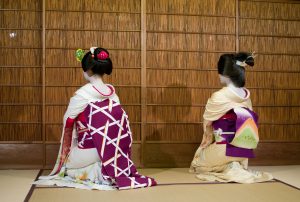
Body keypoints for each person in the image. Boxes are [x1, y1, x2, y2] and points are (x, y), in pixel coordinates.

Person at [35, 47, 156, 190]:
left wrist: (72, 145)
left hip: (90, 148)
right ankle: (106, 169)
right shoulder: (113, 94)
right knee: (89, 158)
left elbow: (68, 122)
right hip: (113, 150)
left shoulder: (82, 95)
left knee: (65, 169)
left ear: (88, 70)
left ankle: (100, 174)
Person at [189, 52, 273, 183]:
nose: (218, 75)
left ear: (226, 74)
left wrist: (207, 140)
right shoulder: (246, 95)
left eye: (219, 72)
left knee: (198, 165)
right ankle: (235, 164)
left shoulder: (220, 96)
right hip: (245, 148)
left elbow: (207, 125)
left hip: (225, 147)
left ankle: (230, 166)